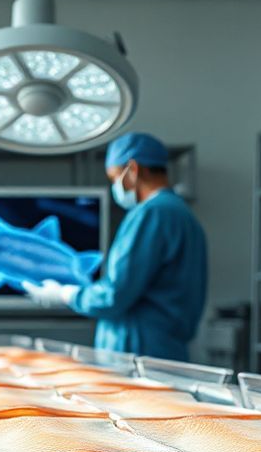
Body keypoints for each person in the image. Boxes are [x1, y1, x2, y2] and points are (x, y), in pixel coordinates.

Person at [23, 132, 207, 362]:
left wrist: (66, 294)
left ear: (133, 169)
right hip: (165, 348)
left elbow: (115, 295)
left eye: (114, 178)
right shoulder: (181, 214)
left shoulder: (152, 213)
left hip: (138, 351)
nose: (114, 187)